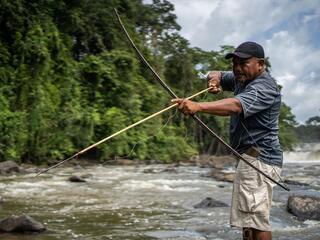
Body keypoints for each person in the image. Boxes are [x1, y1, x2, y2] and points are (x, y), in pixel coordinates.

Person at [172, 41, 283, 240]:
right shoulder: (241, 78)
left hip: (259, 159)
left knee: (256, 221)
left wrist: (199, 106)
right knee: (248, 221)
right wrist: (213, 82)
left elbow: (236, 106)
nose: (237, 68)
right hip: (251, 159)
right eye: (235, 63)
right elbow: (216, 73)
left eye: (243, 63)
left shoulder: (264, 87)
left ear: (260, 64)